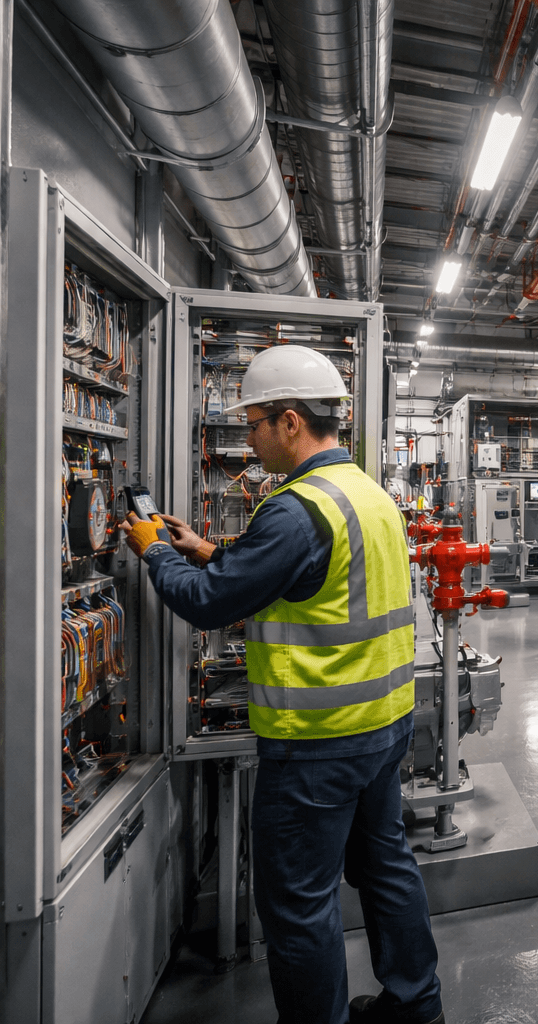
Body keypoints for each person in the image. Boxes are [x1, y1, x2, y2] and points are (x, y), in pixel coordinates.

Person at [120, 345, 444, 1024]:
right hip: (385, 726)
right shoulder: (367, 493)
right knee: (385, 867)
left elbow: (209, 604)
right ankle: (417, 1007)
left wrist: (152, 551)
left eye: (256, 423)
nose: (251, 439)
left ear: (290, 421)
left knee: (298, 905)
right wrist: (211, 551)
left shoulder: (295, 509)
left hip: (318, 745)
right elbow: (309, 575)